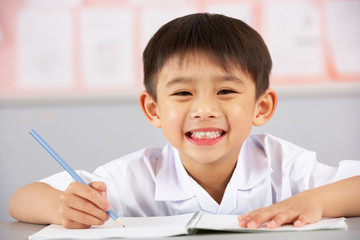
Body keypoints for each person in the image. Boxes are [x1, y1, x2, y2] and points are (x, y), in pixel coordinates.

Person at [9, 13, 360, 230]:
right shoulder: (135, 176)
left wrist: (316, 200)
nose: (204, 109)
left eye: (225, 91)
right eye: (182, 94)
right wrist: (61, 207)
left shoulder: (284, 165)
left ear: (262, 106)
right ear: (153, 110)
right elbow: (21, 199)